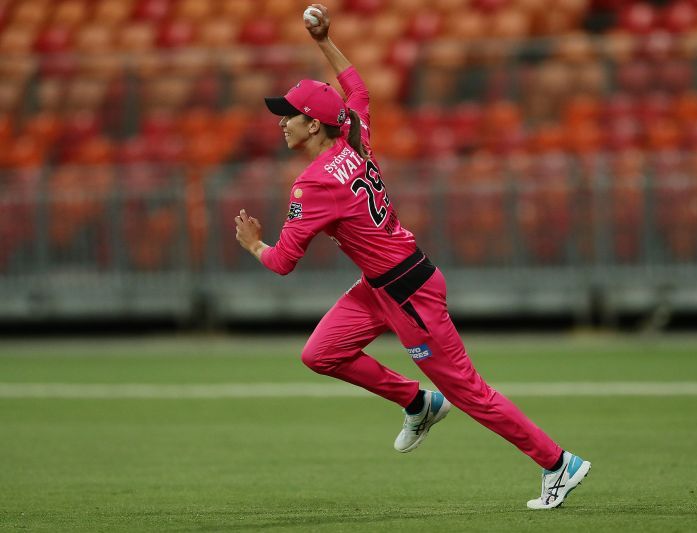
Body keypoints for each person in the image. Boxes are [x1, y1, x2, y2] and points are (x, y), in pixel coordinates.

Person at [234, 4, 591, 510]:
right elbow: (357, 90)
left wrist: (254, 244)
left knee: (470, 393)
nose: (281, 123)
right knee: (320, 353)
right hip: (385, 283)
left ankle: (559, 464)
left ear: (314, 124)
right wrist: (324, 39)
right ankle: (417, 402)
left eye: (288, 115)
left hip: (407, 294)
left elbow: (282, 262)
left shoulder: (312, 182)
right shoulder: (354, 137)